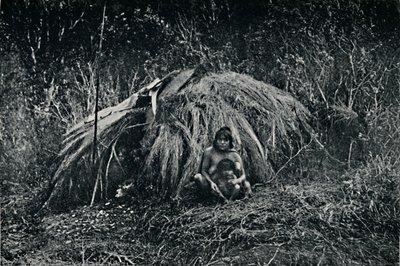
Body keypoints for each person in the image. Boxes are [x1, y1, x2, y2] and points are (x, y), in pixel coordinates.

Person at [194, 126, 252, 201]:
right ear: (216, 140)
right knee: (197, 177)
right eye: (220, 140)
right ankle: (209, 198)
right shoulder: (209, 152)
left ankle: (230, 198)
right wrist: (211, 183)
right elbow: (203, 171)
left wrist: (237, 181)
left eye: (225, 140)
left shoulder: (234, 155)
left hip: (229, 186)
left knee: (245, 184)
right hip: (213, 186)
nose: (222, 142)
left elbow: (243, 175)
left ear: (230, 142)